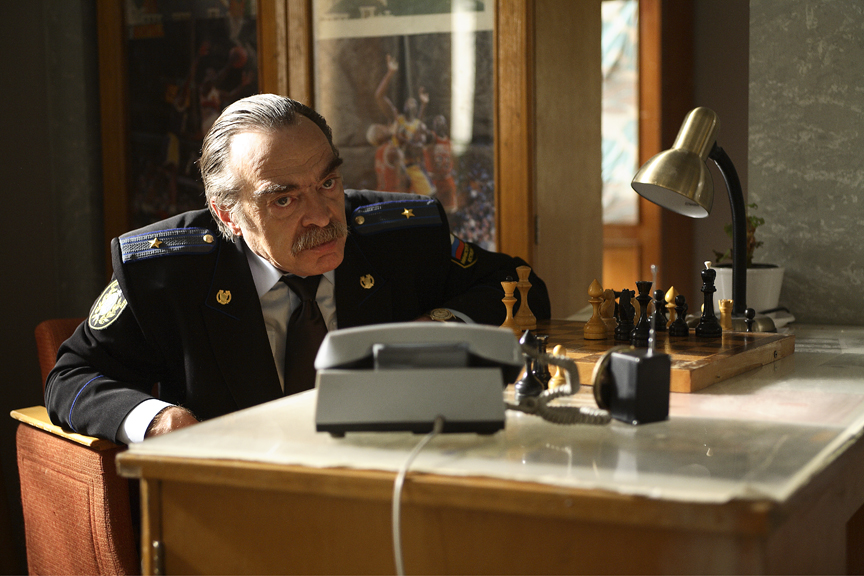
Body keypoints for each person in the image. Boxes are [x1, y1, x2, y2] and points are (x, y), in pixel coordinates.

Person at [45, 94, 550, 445]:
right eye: (284, 199)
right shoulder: (168, 272)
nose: (323, 216)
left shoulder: (401, 236)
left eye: (328, 183)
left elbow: (520, 285)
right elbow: (70, 376)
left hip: (392, 485)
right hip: (242, 506)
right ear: (228, 214)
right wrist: (158, 420)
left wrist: (436, 327)